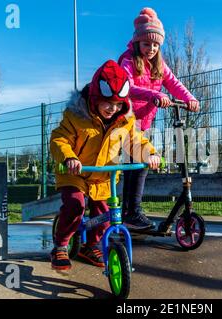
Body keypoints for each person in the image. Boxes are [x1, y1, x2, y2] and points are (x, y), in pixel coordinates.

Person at [49, 60, 161, 271]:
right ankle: (61, 245)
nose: (113, 108)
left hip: (103, 175)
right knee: (75, 206)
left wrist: (150, 154)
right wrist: (69, 158)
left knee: (105, 214)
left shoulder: (124, 121)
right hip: (76, 172)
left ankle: (90, 246)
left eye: (119, 104)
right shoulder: (76, 116)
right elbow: (59, 139)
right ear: (95, 99)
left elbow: (135, 141)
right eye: (108, 103)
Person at [118, 7, 200, 229]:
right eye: (147, 44)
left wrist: (190, 99)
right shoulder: (127, 60)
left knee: (135, 167)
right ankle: (131, 212)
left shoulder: (159, 65)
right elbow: (127, 88)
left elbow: (173, 83)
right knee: (139, 163)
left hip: (142, 124)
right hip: (124, 122)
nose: (151, 48)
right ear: (137, 43)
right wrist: (154, 95)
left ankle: (128, 212)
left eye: (155, 45)